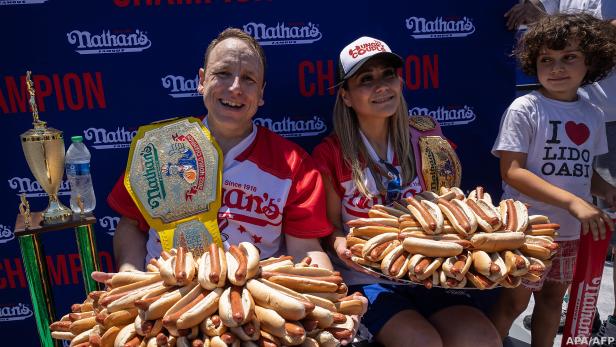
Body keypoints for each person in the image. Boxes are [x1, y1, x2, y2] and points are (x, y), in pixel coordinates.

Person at [311, 36, 502, 347]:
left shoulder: (427, 135)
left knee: (482, 339)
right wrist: (343, 247)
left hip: (428, 272)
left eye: (388, 75)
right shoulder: (331, 154)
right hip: (367, 279)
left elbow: (447, 203)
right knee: (422, 342)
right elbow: (329, 230)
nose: (382, 86)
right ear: (345, 96)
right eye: (366, 80)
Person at [489, 13, 616, 347]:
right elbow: (512, 171)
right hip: (526, 228)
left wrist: (606, 191)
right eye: (547, 59)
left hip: (570, 232)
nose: (557, 68)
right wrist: (574, 202)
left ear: (591, 62)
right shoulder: (525, 108)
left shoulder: (593, 113)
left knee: (550, 301)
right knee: (513, 302)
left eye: (568, 58)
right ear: (534, 63)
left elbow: (584, 170)